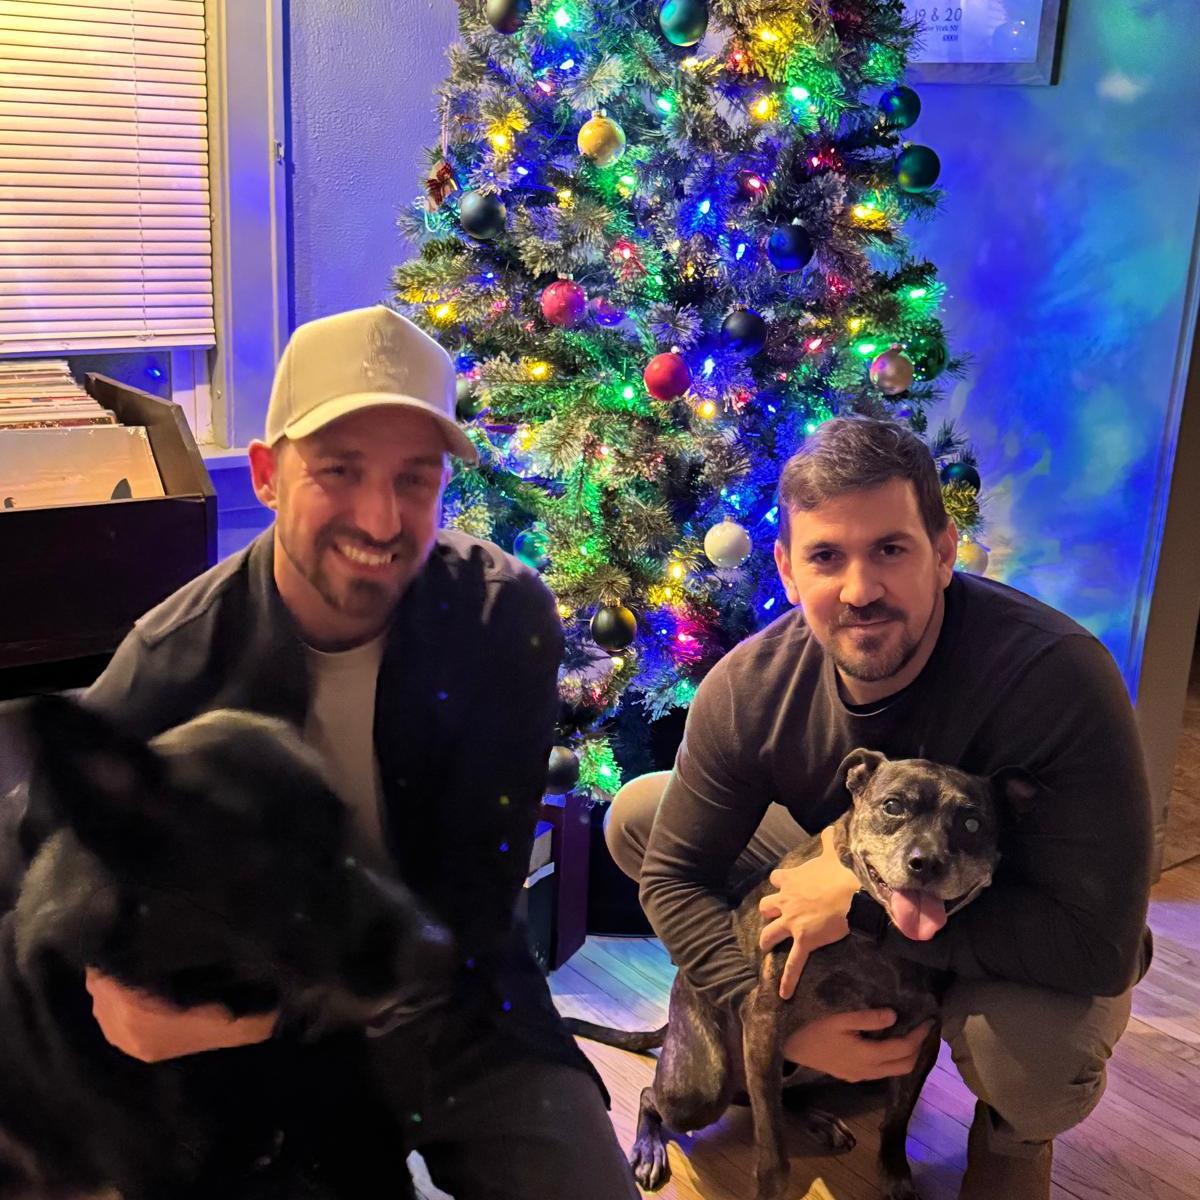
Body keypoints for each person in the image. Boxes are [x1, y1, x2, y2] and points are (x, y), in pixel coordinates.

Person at [10, 306, 638, 1199]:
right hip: (247, 1053)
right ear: (266, 476)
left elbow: (473, 906)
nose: (380, 519)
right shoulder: (174, 658)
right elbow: (39, 851)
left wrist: (271, 1017)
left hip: (458, 1008)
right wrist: (103, 993)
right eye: (339, 471)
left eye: (415, 480)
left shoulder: (503, 619)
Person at [605, 416, 1154, 1200]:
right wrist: (770, 1015)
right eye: (827, 557)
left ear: (943, 551)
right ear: (787, 569)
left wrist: (859, 905)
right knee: (641, 814)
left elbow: (1100, 947)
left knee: (1033, 1061)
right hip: (858, 855)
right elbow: (671, 878)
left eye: (891, 550)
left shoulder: (1058, 677)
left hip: (1028, 910)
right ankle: (825, 1048)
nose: (860, 591)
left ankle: (1011, 1134)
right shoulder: (752, 686)